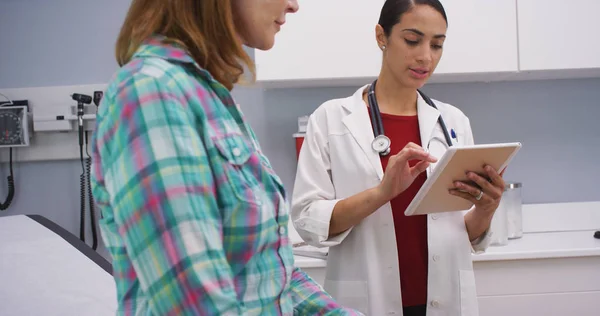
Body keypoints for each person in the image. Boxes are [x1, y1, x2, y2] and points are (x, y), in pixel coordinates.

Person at [90, 0, 362, 315]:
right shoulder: (151, 92)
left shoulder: (210, 98)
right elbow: (195, 301)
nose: (293, 5)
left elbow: (269, 273)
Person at [291, 1, 506, 315]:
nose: (426, 57)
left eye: (437, 45)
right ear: (382, 36)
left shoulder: (453, 122)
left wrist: (486, 209)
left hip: (444, 299)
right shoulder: (331, 119)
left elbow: (463, 233)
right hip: (367, 299)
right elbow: (309, 221)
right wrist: (382, 193)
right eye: (412, 40)